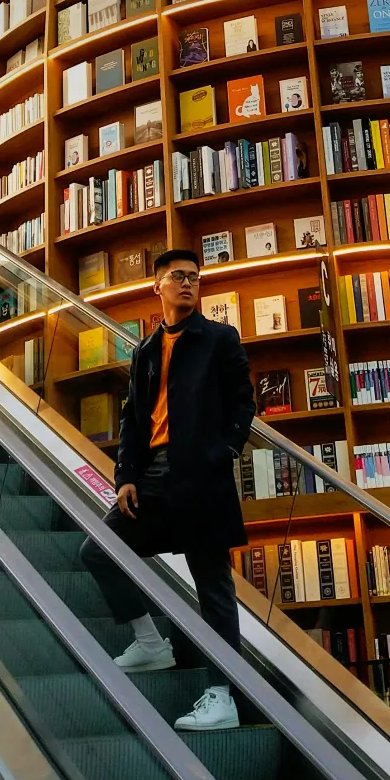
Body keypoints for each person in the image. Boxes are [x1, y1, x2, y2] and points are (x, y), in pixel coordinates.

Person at [77, 248, 255, 731]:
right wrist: (125, 476)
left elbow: (244, 403)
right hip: (152, 476)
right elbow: (133, 419)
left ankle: (222, 697)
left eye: (195, 277)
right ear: (157, 285)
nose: (188, 283)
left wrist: (223, 453)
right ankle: (151, 644)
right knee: (97, 550)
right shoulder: (145, 350)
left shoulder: (219, 339)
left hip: (200, 475)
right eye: (177, 276)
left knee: (213, 585)